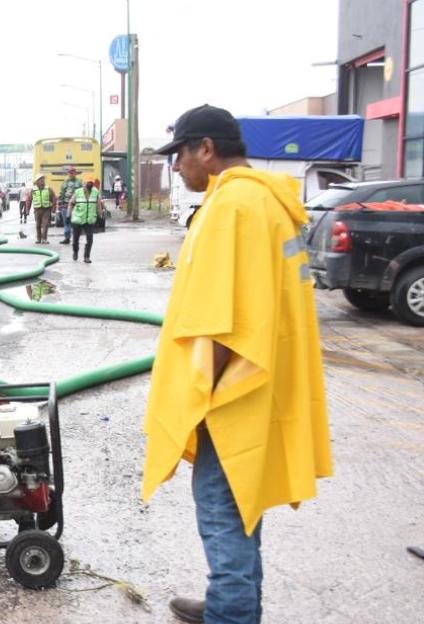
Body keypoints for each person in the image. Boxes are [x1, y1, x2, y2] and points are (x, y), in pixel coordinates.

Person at [142, 105, 332, 624]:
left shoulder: (231, 207)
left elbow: (221, 317)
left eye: (180, 154)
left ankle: (231, 613)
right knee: (242, 506)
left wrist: (204, 397)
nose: (177, 167)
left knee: (222, 513)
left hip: (232, 394)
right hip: (263, 382)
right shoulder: (268, 201)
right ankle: (232, 601)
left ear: (206, 148)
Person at [68, 177, 102, 264]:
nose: (90, 184)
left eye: (91, 183)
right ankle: (75, 252)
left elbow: (98, 205)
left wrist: (100, 216)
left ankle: (86, 256)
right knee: (75, 239)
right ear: (84, 183)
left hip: (89, 219)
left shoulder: (95, 192)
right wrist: (69, 215)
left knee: (90, 239)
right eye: (88, 183)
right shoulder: (78, 192)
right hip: (78, 218)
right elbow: (71, 204)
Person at [57, 167, 80, 245]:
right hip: (66, 205)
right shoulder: (65, 182)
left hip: (76, 206)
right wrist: (60, 203)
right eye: (70, 173)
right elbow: (61, 193)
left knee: (76, 223)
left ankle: (76, 238)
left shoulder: (80, 182)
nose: (71, 174)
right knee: (66, 222)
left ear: (75, 173)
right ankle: (67, 238)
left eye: (73, 173)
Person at [30, 174, 55, 244]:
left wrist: (53, 208)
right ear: (37, 181)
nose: (42, 181)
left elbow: (54, 198)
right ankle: (39, 238)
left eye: (43, 179)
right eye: (40, 180)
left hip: (46, 210)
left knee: (45, 224)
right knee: (38, 225)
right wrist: (27, 209)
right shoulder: (33, 190)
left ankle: (44, 239)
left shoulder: (48, 189)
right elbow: (29, 199)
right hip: (37, 210)